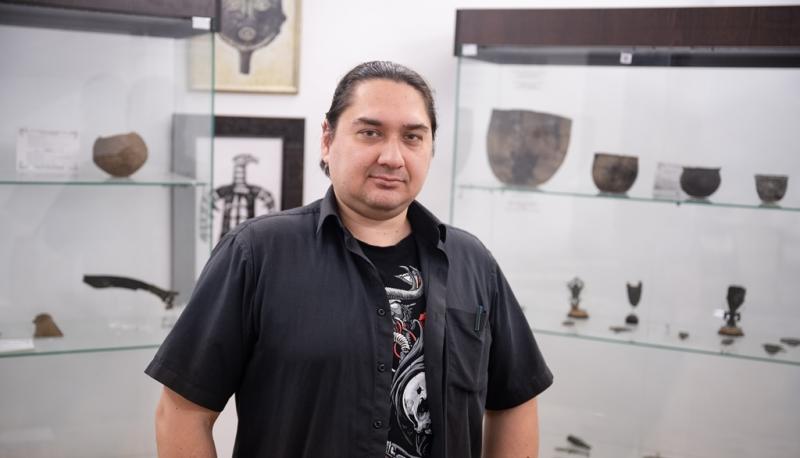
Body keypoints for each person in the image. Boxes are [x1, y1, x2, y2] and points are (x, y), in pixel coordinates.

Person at [146, 60, 553, 458]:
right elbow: (182, 413)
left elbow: (514, 400)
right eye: (370, 133)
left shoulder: (473, 262)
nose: (392, 157)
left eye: (412, 137)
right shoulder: (256, 253)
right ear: (328, 140)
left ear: (431, 147)